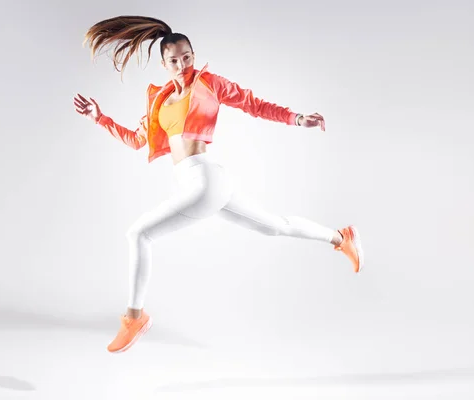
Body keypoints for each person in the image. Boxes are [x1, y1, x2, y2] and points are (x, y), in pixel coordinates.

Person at [74, 15, 364, 354]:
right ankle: (341, 237)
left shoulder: (209, 83)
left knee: (138, 234)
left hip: (205, 179)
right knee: (274, 227)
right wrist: (100, 118)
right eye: (174, 60)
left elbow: (253, 104)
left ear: (193, 56)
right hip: (198, 184)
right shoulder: (157, 100)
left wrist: (297, 118)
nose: (182, 64)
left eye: (187, 57)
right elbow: (138, 140)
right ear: (163, 63)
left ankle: (133, 317)